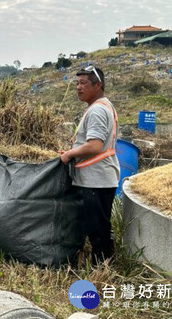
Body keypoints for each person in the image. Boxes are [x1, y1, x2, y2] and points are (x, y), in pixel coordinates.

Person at [60, 65, 120, 263]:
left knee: (97, 229)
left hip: (96, 180)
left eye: (83, 83)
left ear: (98, 85)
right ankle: (102, 263)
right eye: (77, 83)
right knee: (99, 225)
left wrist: (69, 154)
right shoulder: (102, 106)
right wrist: (74, 153)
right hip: (98, 179)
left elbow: (94, 146)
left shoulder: (97, 111)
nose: (78, 87)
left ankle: (101, 267)